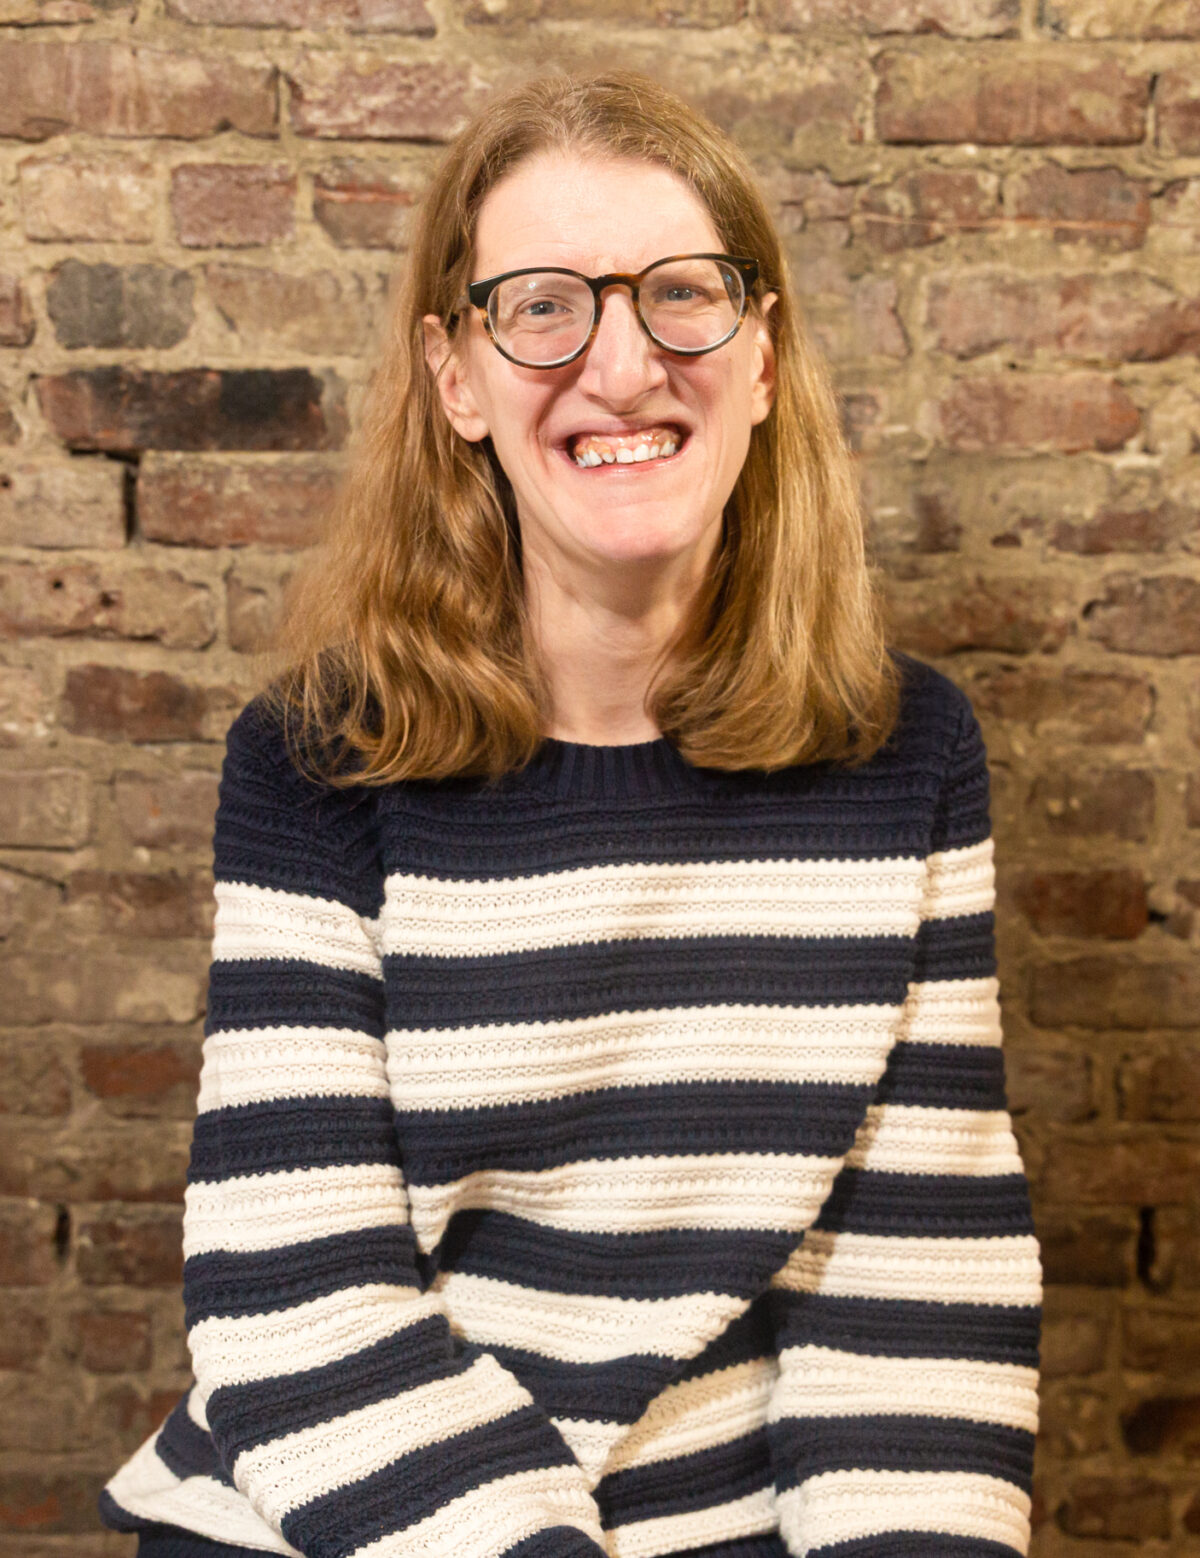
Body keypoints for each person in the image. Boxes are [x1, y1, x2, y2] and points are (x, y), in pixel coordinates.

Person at [101, 69, 1041, 1558]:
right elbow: (299, 1293)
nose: (621, 365)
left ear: (763, 356)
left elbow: (913, 1292)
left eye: (682, 295)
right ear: (456, 376)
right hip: (349, 1508)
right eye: (544, 306)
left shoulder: (904, 753)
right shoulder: (314, 763)